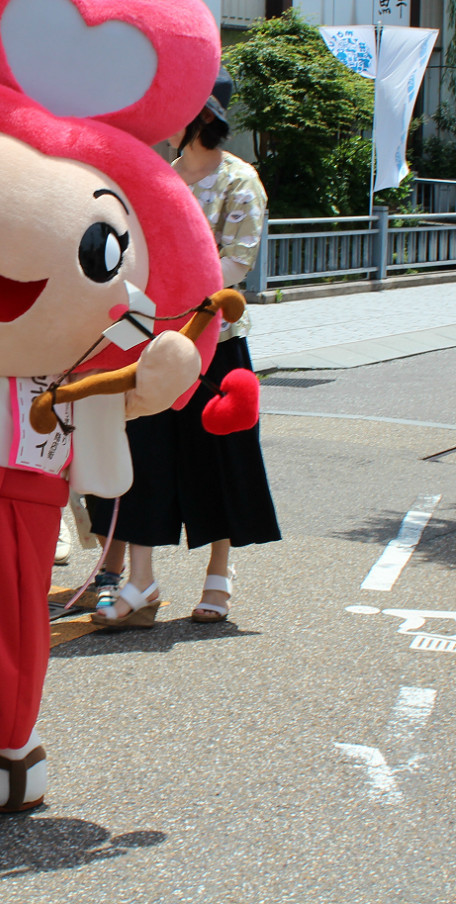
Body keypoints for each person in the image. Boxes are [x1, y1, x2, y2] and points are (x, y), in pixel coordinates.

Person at [88, 67, 281, 627]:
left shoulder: (240, 181)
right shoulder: (161, 176)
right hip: (156, 338)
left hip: (216, 342)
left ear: (198, 119)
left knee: (215, 455)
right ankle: (140, 580)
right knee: (143, 450)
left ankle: (219, 574)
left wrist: (176, 299)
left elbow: (235, 265)